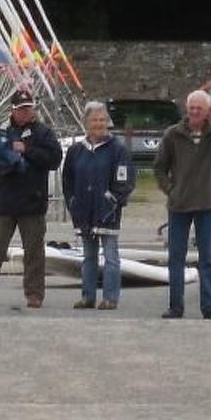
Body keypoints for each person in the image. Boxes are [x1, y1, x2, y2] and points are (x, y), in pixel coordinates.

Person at [153, 86, 211, 320]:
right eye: (192, 107)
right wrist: (170, 190)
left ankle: (209, 306)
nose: (194, 112)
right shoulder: (172, 134)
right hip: (179, 205)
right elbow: (159, 167)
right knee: (176, 258)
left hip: (207, 205)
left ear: (207, 111)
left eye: (199, 109)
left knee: (207, 260)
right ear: (186, 107)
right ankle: (176, 306)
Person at [0, 89, 62, 309]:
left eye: (28, 108)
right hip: (4, 201)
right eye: (21, 108)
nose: (25, 112)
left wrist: (26, 149)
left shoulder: (43, 133)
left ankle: (34, 294)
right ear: (13, 110)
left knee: (34, 253)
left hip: (33, 201)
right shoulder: (0, 131)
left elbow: (54, 159)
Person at [61, 100, 133, 310]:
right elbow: (68, 180)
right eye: (95, 120)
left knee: (111, 256)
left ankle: (110, 297)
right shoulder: (76, 150)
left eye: (102, 120)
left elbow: (125, 180)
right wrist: (73, 202)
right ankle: (87, 296)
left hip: (107, 210)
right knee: (88, 256)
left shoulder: (117, 149)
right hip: (84, 210)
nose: (99, 124)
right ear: (86, 123)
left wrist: (113, 199)